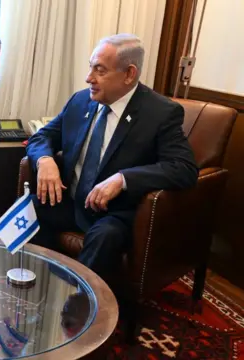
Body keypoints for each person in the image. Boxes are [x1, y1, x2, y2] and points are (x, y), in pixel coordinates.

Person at [25, 33, 197, 279]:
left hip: (115, 214)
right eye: (90, 67)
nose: (89, 78)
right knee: (26, 210)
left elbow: (184, 168)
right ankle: (31, 283)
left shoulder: (161, 113)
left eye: (100, 71)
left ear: (129, 74)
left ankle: (78, 307)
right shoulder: (81, 101)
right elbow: (42, 137)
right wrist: (45, 160)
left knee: (104, 237)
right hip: (72, 202)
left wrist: (123, 179)